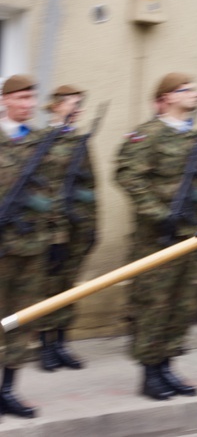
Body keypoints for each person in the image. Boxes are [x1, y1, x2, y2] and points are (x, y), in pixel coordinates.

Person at [115, 72, 197, 401]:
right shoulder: (148, 134)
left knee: (182, 305)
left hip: (189, 236)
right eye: (188, 89)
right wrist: (159, 213)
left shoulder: (192, 135)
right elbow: (126, 175)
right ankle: (149, 373)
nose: (195, 93)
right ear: (167, 97)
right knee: (154, 305)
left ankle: (166, 366)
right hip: (157, 239)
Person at [38, 85, 98, 372]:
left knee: (69, 288)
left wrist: (92, 226)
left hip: (77, 225)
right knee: (48, 287)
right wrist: (53, 234)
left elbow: (90, 185)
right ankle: (45, 345)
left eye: (79, 104)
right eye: (74, 104)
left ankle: (61, 342)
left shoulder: (78, 141)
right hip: (52, 230)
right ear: (58, 105)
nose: (78, 109)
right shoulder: (41, 140)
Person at [0, 75, 50, 418]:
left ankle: (8, 390)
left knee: (20, 320)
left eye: (31, 98)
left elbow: (53, 190)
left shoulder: (41, 141)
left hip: (31, 245)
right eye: (20, 98)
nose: (27, 104)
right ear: (5, 101)